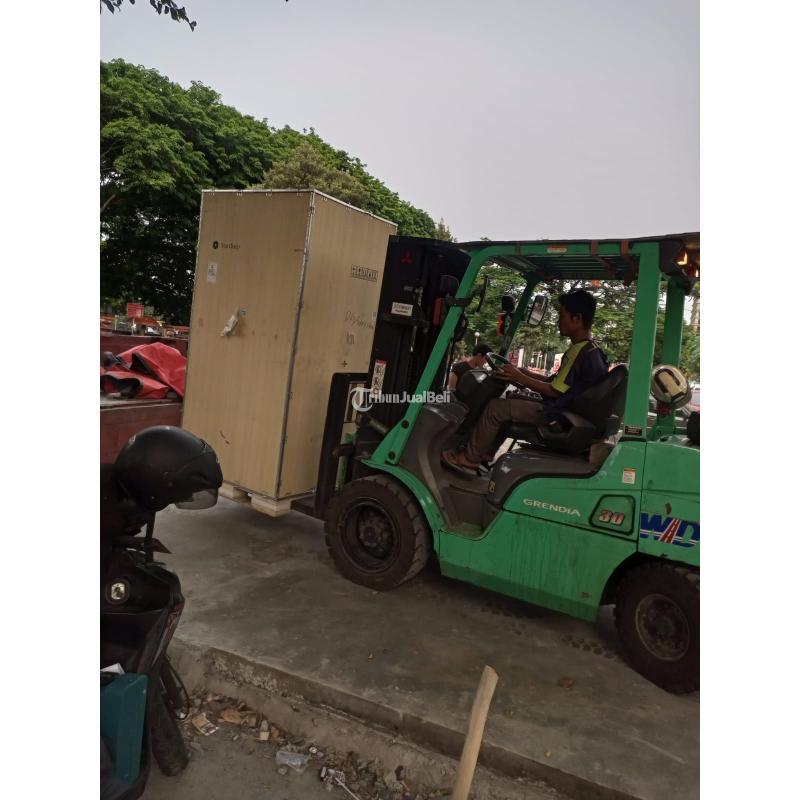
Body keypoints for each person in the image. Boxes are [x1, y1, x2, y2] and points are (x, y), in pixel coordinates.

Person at [442, 289, 608, 475]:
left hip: (556, 414)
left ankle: (468, 459)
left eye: (562, 316)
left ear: (577, 318)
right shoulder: (591, 350)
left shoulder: (578, 351)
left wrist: (519, 377)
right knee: (512, 398)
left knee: (496, 408)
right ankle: (484, 455)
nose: (558, 321)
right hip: (566, 411)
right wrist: (522, 372)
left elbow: (554, 391)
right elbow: (555, 382)